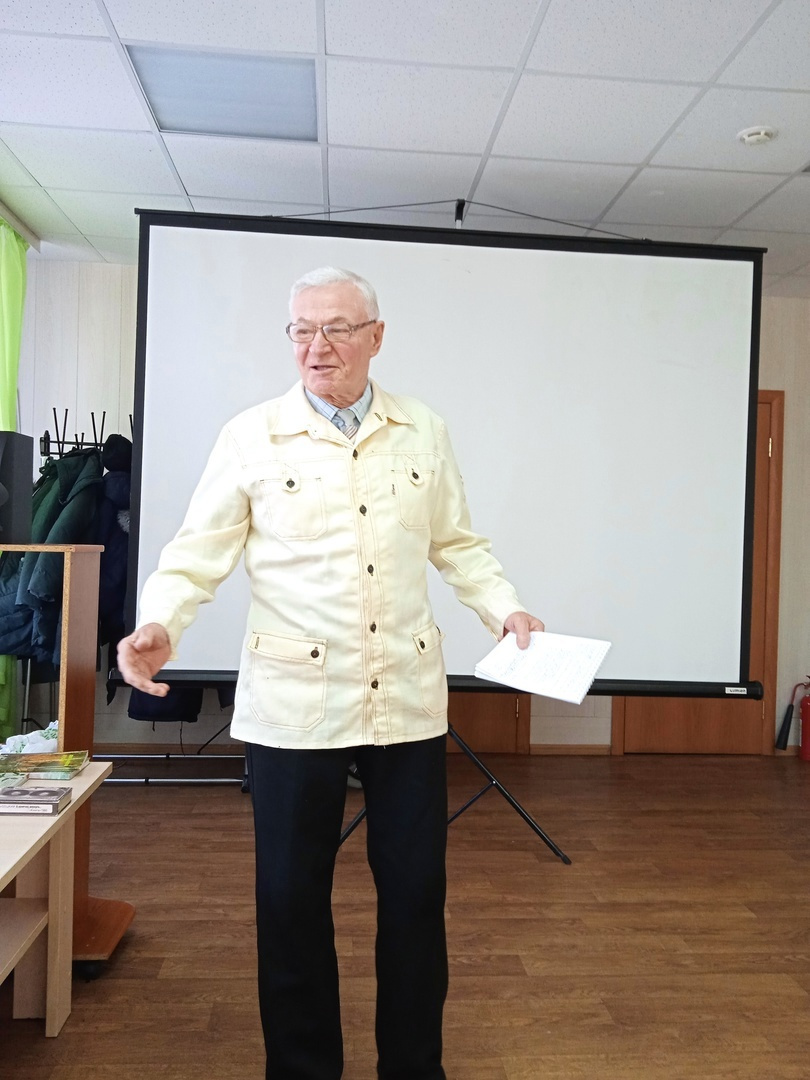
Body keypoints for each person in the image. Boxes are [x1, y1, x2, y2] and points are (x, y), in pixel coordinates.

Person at [117, 267, 544, 1080]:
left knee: (415, 897)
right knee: (289, 901)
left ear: (376, 337)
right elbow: (197, 553)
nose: (318, 346)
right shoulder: (252, 435)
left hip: (405, 701)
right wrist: (159, 622)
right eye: (302, 329)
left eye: (338, 328)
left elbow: (457, 543)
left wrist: (505, 609)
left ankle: (413, 1067)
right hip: (293, 705)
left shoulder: (422, 429)